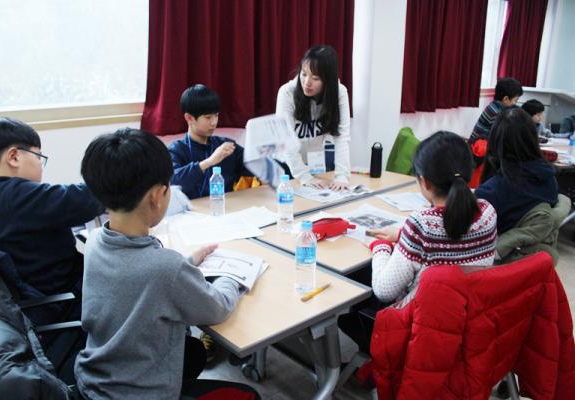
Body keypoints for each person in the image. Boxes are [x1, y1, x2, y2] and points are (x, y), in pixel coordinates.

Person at [76, 128, 259, 399]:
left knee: (193, 351)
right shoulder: (166, 269)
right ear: (157, 195)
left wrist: (189, 262)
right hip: (139, 393)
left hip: (94, 380)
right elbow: (218, 307)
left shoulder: (93, 241)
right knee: (248, 395)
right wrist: (234, 276)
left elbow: (137, 274)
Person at [339, 131, 498, 351]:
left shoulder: (421, 224)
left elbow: (384, 290)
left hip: (417, 330)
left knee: (357, 275)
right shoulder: (487, 212)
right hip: (468, 318)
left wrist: (381, 247)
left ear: (425, 182)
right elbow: (452, 237)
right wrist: (404, 235)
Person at [0, 117, 102, 301]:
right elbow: (84, 198)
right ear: (14, 157)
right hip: (63, 300)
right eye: (38, 157)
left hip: (23, 300)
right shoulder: (18, 196)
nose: (41, 166)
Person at [276, 45, 351, 190]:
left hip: (313, 163)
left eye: (315, 78)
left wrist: (342, 176)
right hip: (286, 164)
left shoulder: (339, 92)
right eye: (304, 74)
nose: (307, 82)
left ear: (328, 80)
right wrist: (304, 176)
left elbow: (342, 136)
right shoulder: (287, 93)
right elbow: (286, 142)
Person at [476, 107, 559, 235]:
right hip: (536, 245)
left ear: (495, 141)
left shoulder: (490, 192)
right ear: (533, 139)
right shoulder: (550, 178)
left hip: (499, 246)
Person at [168, 84, 252, 199]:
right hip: (192, 209)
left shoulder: (226, 146)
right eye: (208, 117)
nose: (214, 122)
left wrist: (265, 149)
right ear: (189, 118)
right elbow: (172, 182)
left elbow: (256, 167)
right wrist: (209, 162)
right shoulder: (177, 150)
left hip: (226, 207)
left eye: (216, 115)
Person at [468, 77, 523, 187]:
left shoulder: (497, 107)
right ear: (506, 99)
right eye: (515, 100)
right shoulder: (496, 112)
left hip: (484, 149)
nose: (516, 104)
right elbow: (502, 135)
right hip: (479, 153)